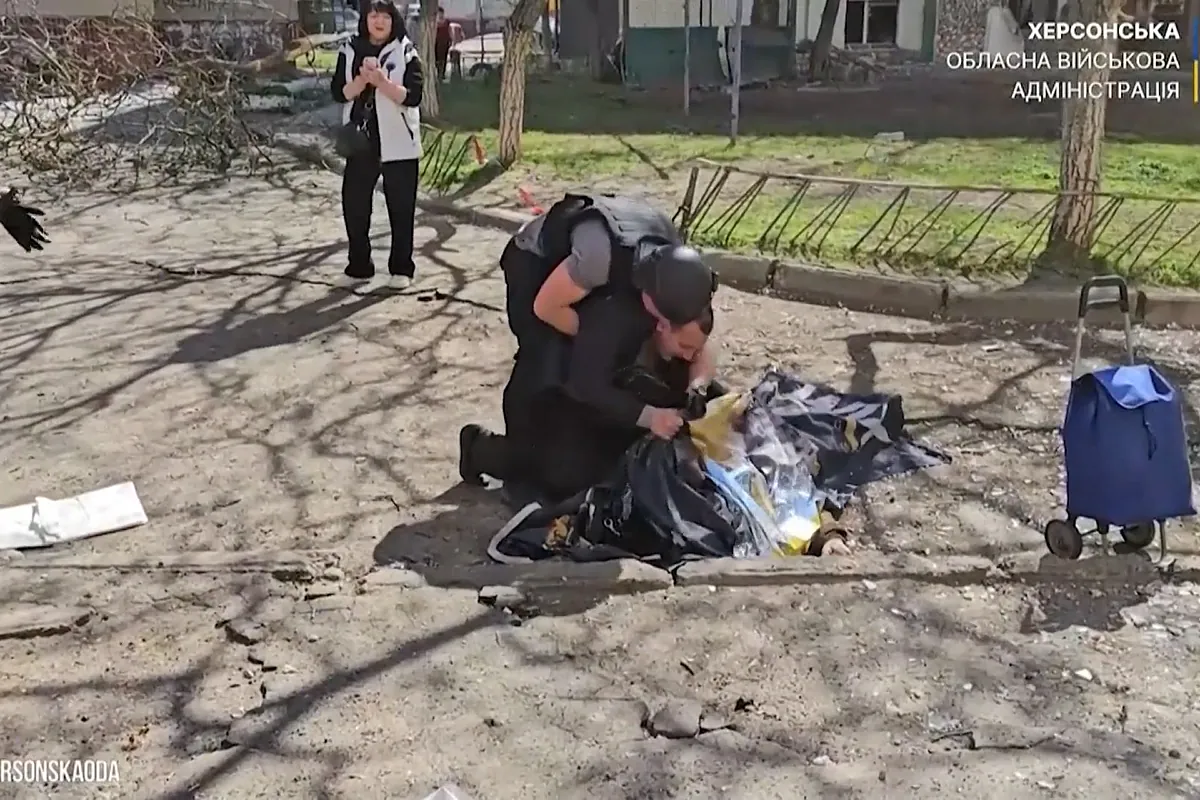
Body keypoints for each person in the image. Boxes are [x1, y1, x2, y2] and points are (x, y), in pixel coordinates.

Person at [458, 254, 718, 501]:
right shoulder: (617, 320)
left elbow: (700, 349)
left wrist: (699, 386)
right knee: (567, 478)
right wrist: (652, 418)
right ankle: (479, 449)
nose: (690, 355)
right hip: (561, 394)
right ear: (662, 324)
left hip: (614, 390)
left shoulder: (680, 297)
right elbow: (587, 387)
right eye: (684, 347)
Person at [501, 193, 718, 394]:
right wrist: (598, 338)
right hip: (533, 259)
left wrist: (698, 384)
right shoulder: (597, 260)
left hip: (596, 263)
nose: (662, 325)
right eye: (665, 319)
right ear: (648, 295)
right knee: (548, 357)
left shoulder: (680, 269)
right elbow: (546, 308)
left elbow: (698, 336)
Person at [331, 0, 424, 287]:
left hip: (399, 141)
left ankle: (401, 268)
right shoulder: (349, 49)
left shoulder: (406, 50)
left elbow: (414, 95)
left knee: (401, 206)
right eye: (373, 15)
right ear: (365, 19)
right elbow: (339, 92)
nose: (379, 21)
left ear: (393, 20)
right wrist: (362, 79)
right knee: (355, 206)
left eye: (385, 16)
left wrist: (382, 82)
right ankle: (359, 266)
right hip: (362, 141)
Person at [433, 7, 453, 82]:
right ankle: (437, 74)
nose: (440, 15)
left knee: (443, 59)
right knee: (436, 59)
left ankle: (442, 74)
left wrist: (451, 40)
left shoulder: (447, 22)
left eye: (441, 13)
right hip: (436, 43)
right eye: (439, 13)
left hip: (445, 43)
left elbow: (450, 31)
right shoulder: (435, 22)